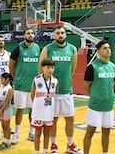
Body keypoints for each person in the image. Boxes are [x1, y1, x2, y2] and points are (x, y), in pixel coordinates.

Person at [39, 26, 82, 154]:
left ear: (66, 35)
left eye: (62, 33)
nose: (60, 35)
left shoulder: (72, 49)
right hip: (51, 94)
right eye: (57, 33)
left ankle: (70, 145)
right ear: (54, 35)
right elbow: (41, 69)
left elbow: (73, 69)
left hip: (67, 91)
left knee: (70, 118)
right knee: (53, 120)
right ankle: (53, 145)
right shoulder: (47, 49)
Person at [83, 40, 115, 154]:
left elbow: (112, 84)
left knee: (106, 132)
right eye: (105, 48)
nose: (108, 50)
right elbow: (86, 86)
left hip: (109, 105)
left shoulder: (113, 66)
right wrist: (96, 96)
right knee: (90, 132)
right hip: (96, 106)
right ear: (98, 51)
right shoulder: (92, 67)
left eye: (109, 48)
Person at [10, 28, 41, 144]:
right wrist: (16, 78)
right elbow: (11, 65)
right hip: (20, 86)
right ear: (24, 36)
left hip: (33, 87)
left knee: (33, 110)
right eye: (28, 33)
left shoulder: (38, 48)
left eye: (32, 33)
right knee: (20, 110)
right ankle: (16, 134)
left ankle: (32, 133)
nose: (30, 35)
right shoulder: (18, 48)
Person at [31, 58, 58, 154]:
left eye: (52, 67)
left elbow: (54, 96)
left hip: (49, 113)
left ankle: (46, 151)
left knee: (47, 134)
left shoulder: (55, 81)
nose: (50, 70)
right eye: (48, 67)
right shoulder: (36, 79)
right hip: (38, 113)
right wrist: (37, 106)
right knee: (37, 134)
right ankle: (37, 152)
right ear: (42, 68)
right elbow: (32, 95)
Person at [0, 72, 14, 150]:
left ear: (7, 80)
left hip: (6, 110)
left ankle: (8, 142)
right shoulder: (1, 87)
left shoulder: (9, 89)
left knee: (7, 127)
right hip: (0, 109)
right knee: (3, 126)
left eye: (2, 79)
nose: (1, 80)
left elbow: (7, 101)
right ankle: (5, 141)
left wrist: (2, 109)